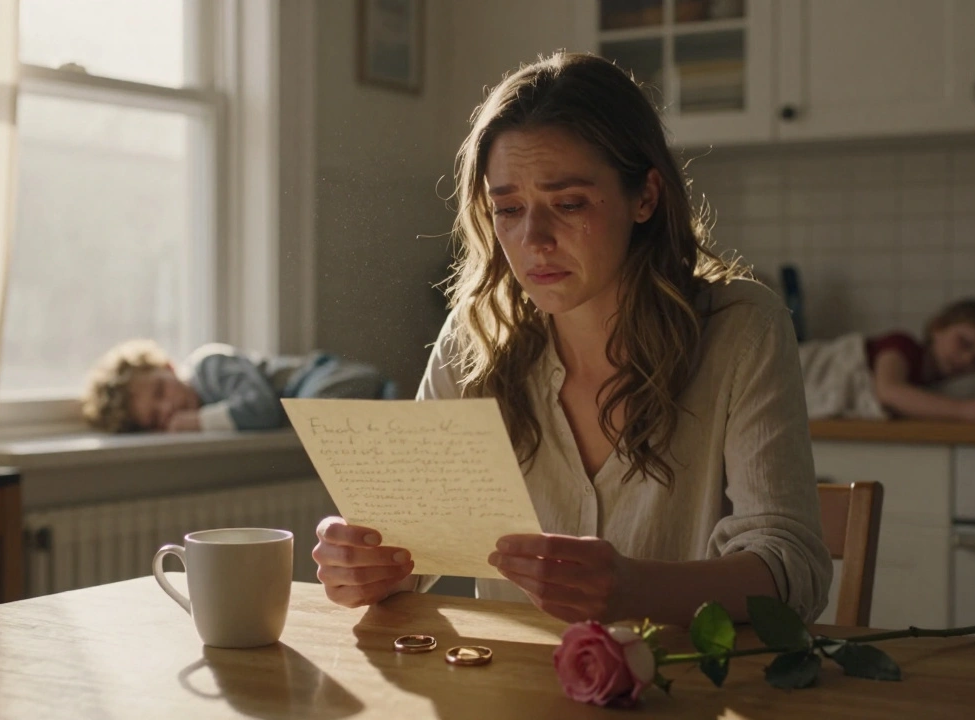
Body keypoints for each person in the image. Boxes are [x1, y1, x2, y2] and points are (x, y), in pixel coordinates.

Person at [311, 52, 832, 627]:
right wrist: (363, 563)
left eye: (568, 204)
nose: (533, 239)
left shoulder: (741, 328)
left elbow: (794, 572)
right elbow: (413, 552)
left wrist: (635, 590)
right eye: (507, 209)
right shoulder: (477, 332)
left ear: (645, 197)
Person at [82, 340, 395, 433]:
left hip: (326, 376)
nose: (167, 407)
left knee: (311, 412)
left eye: (161, 391)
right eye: (154, 417)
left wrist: (197, 422)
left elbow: (263, 409)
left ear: (167, 367)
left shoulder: (208, 364)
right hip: (331, 393)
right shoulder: (207, 402)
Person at [867, 299, 975, 423]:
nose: (967, 359)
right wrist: (964, 411)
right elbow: (888, 391)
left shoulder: (938, 387)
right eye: (965, 343)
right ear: (938, 328)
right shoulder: (902, 345)